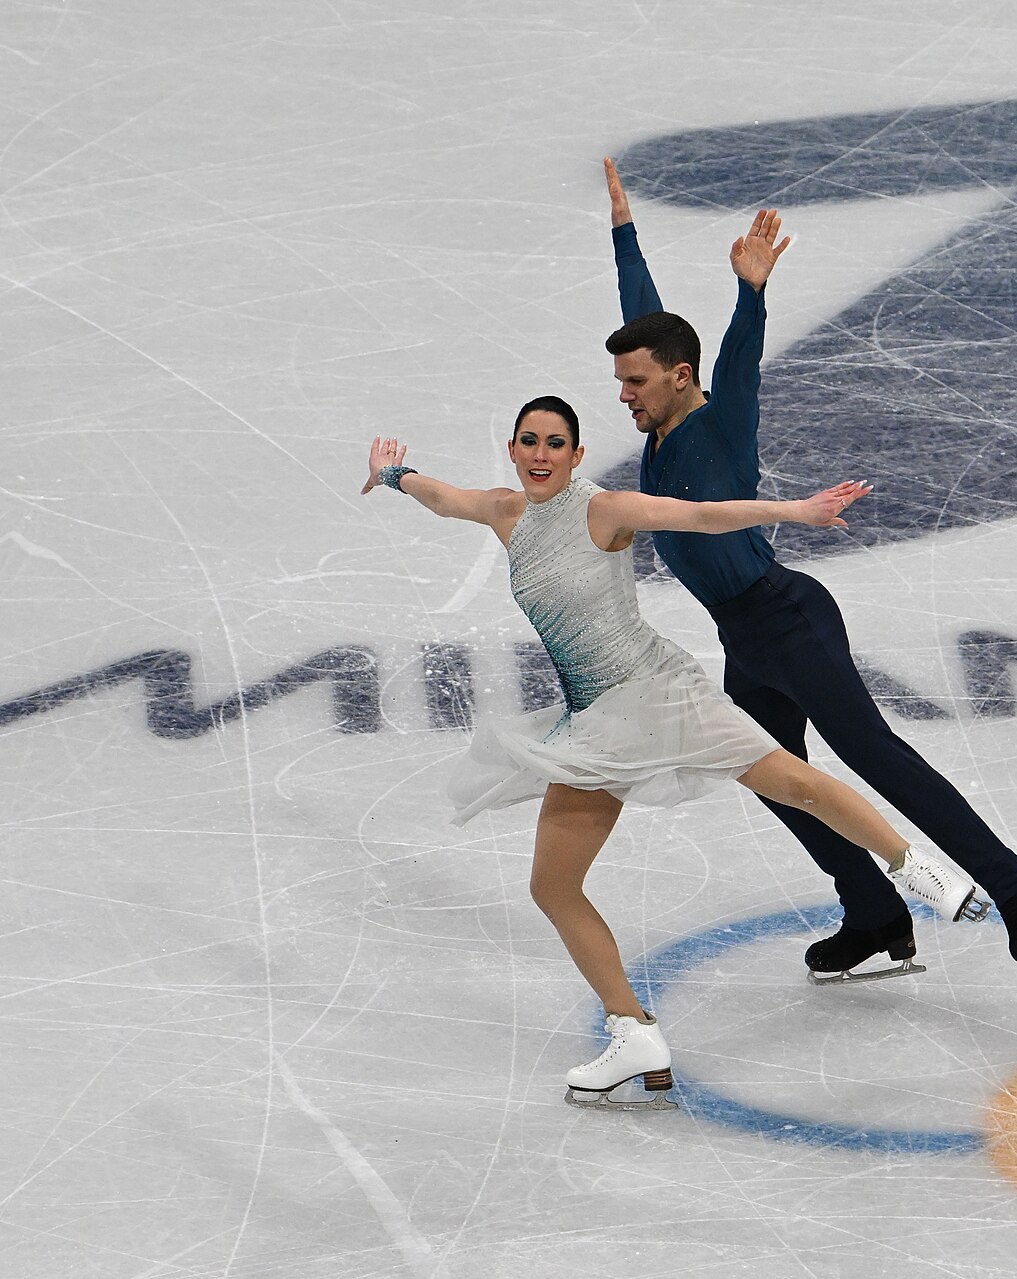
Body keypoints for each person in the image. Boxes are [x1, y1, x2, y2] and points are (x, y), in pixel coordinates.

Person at [361, 397, 946, 1109]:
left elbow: (700, 516)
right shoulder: (504, 511)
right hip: (599, 725)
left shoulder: (602, 508)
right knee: (553, 884)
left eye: (556, 443)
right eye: (528, 442)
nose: (541, 454)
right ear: (513, 450)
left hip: (659, 694)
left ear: (577, 455)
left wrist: (797, 512)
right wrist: (394, 475)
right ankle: (633, 1032)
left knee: (792, 780)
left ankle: (913, 869)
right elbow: (442, 497)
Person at [601, 156, 1017, 979]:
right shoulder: (659, 413)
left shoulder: (720, 420)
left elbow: (738, 359)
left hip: (787, 618)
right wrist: (624, 234)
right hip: (746, 636)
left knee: (874, 757)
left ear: (681, 378)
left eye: (634, 383)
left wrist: (750, 294)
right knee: (773, 776)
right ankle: (872, 907)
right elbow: (643, 317)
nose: (623, 397)